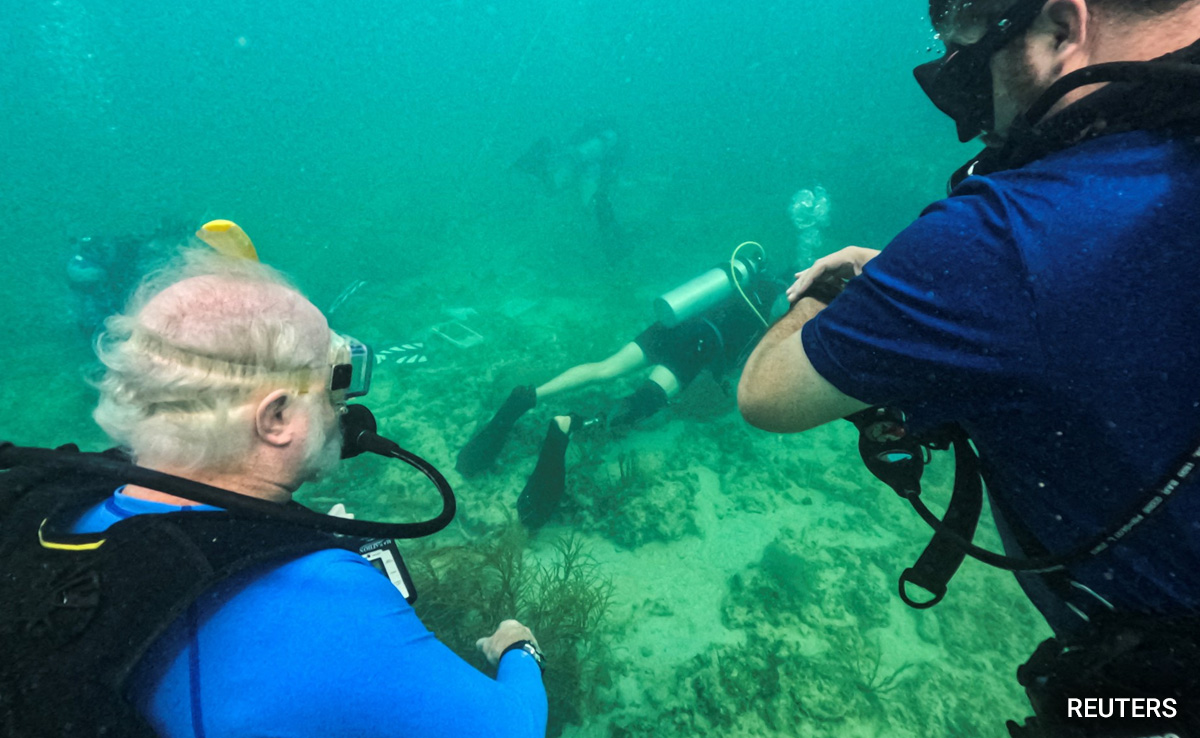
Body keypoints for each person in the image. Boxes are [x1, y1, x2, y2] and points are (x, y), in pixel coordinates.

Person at [738, 0, 1200, 734]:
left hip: (1159, 699)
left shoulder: (1001, 242)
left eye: (974, 59)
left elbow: (768, 394)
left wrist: (834, 289)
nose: (973, 115)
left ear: (1060, 28)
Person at [5, 248, 548, 737]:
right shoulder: (325, 599)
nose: (345, 407)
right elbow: (512, 727)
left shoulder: (55, 494)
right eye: (337, 378)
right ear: (278, 416)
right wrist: (516, 649)